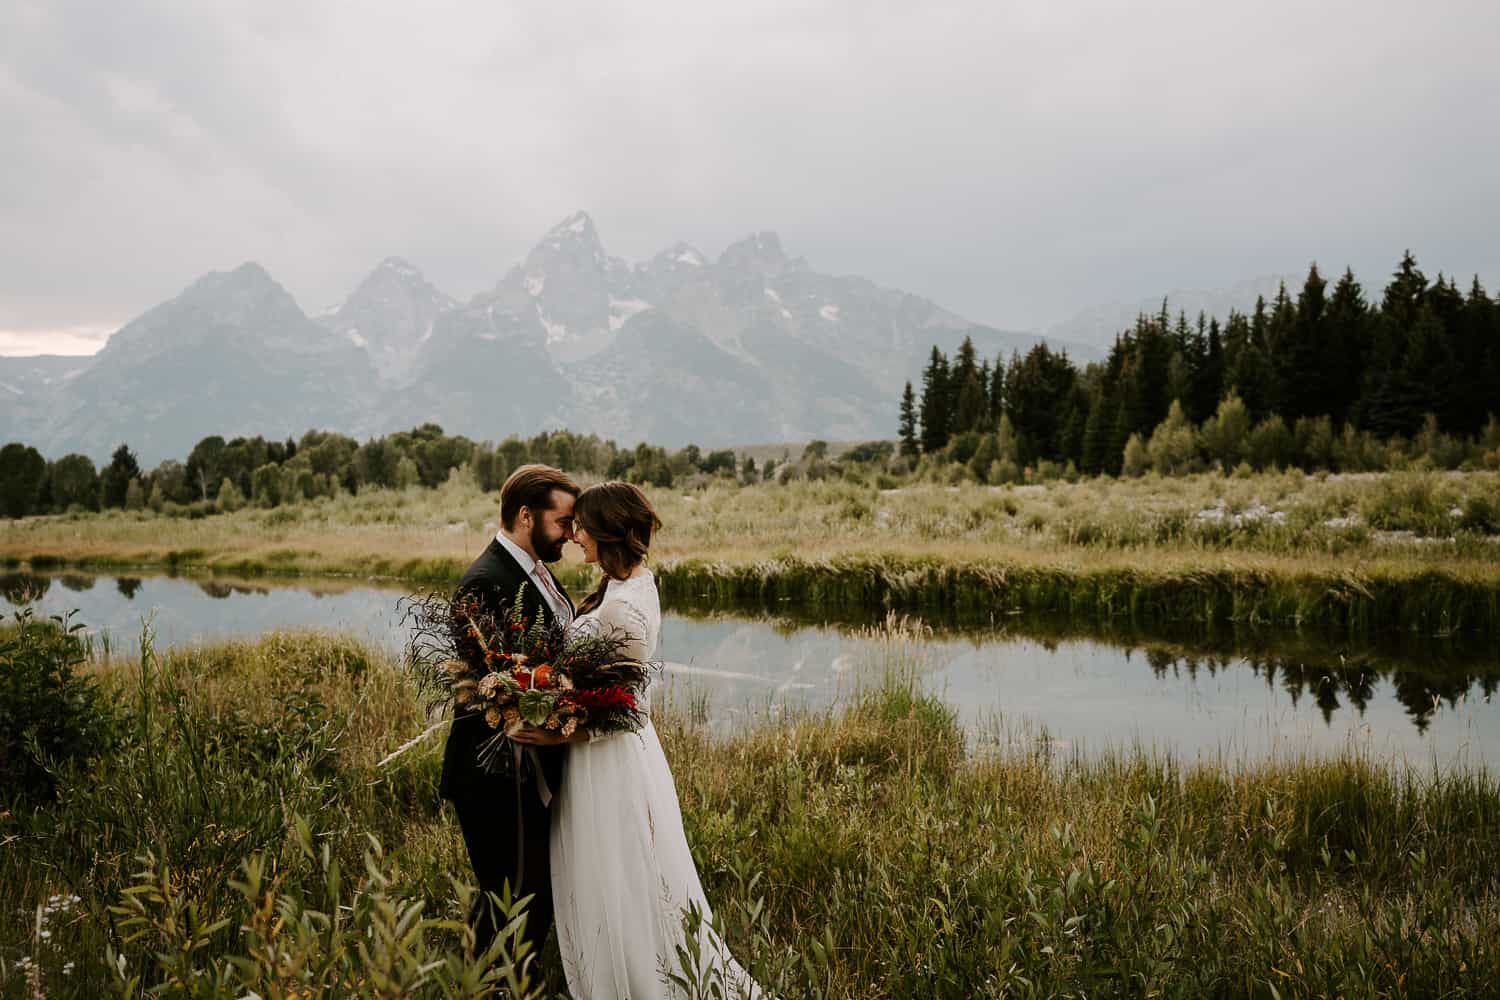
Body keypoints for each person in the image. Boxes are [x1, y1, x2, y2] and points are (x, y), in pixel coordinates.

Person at [509, 481, 768, 1000]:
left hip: (608, 762)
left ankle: (635, 982)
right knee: (605, 872)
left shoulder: (625, 607)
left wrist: (557, 732)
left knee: (618, 872)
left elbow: (625, 707)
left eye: (581, 526)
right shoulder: (623, 586)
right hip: (595, 758)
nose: (575, 535)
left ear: (606, 532)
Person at [439, 464, 580, 968]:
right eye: (563, 522)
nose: (571, 533)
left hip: (528, 769)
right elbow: (484, 691)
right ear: (526, 515)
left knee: (526, 898)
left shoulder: (535, 572)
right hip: (494, 774)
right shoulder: (484, 581)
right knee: (511, 901)